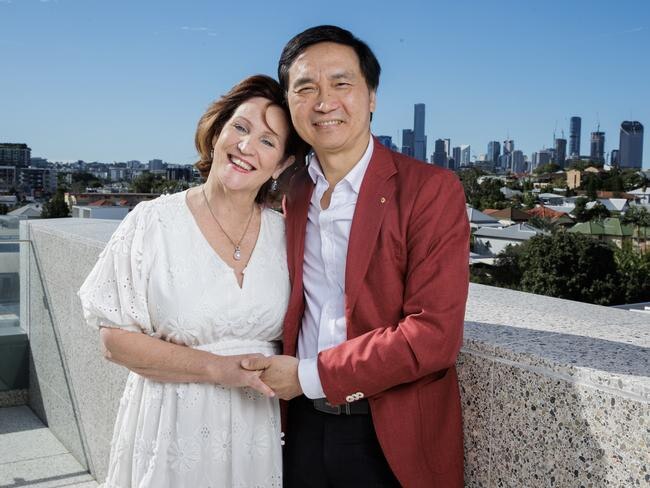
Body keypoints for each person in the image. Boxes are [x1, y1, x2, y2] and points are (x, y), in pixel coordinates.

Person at [242, 26, 470, 487]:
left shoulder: (430, 189)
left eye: (342, 84)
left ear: (371, 98)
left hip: (387, 431)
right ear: (290, 104)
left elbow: (433, 336)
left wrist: (308, 376)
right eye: (306, 88)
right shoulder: (291, 191)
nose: (324, 102)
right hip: (298, 426)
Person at [78, 74, 306, 488]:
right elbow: (113, 341)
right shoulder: (151, 222)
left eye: (268, 141)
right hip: (171, 427)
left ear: (283, 164)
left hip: (255, 432)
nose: (247, 147)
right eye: (240, 127)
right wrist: (219, 369)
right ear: (217, 131)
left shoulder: (287, 235)